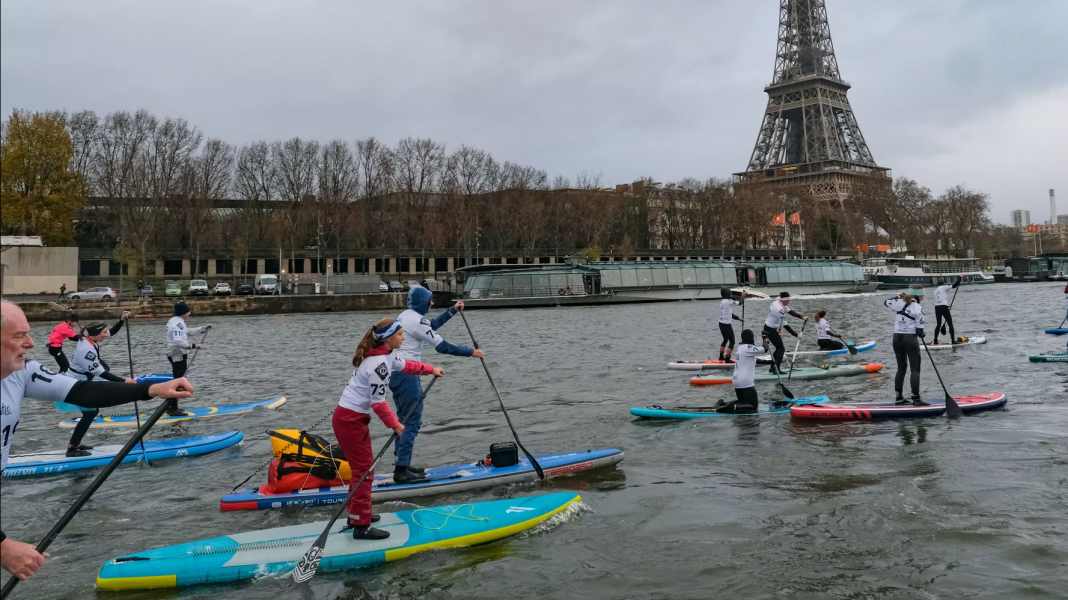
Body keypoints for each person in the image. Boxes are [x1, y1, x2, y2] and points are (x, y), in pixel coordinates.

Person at [0, 300, 193, 582]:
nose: (30, 343)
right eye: (19, 336)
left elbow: (84, 392)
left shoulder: (20, 372)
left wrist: (150, 389)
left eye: (28, 333)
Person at [333, 318, 443, 540]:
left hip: (352, 418)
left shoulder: (387, 355)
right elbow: (379, 404)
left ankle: (356, 515)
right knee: (364, 472)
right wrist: (396, 425)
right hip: (349, 420)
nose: (404, 337)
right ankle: (361, 527)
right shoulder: (378, 365)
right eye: (401, 334)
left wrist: (432, 369)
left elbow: (407, 366)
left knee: (362, 471)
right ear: (389, 338)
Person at [391, 286, 482, 483]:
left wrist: (452, 311)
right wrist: (471, 352)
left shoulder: (406, 315)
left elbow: (429, 327)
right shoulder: (417, 320)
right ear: (422, 302)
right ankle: (401, 472)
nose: (431, 304)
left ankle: (402, 464)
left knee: (403, 419)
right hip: (407, 373)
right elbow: (442, 347)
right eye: (429, 301)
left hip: (397, 373)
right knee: (412, 421)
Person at [65, 313, 133, 456]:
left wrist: (121, 320)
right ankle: (72, 449)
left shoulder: (89, 338)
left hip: (83, 382)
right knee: (91, 412)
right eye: (103, 333)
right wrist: (124, 381)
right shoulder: (85, 350)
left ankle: (75, 444)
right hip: (74, 385)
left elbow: (111, 332)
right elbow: (102, 374)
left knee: (90, 412)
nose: (105, 335)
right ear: (94, 335)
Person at [165, 302, 211, 416]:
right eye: (188, 311)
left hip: (178, 353)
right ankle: (171, 408)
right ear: (183, 312)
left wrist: (202, 329)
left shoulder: (177, 321)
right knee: (178, 381)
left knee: (178, 380)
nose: (189, 313)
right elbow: (178, 341)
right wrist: (193, 346)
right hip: (177, 354)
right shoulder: (177, 323)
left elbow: (187, 332)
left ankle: (171, 406)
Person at [884, 289, 927, 405]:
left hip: (896, 338)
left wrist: (898, 296)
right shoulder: (918, 307)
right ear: (919, 297)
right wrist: (922, 333)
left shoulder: (898, 303)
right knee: (915, 369)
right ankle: (916, 399)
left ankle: (899, 397)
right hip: (909, 339)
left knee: (901, 368)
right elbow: (919, 331)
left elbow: (886, 302)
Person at [715, 329, 767, 414]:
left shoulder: (741, 348)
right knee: (753, 406)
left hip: (737, 380)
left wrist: (769, 362)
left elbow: (752, 360)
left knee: (743, 402)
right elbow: (765, 349)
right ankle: (729, 407)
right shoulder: (748, 348)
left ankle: (723, 404)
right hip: (745, 381)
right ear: (750, 338)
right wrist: (765, 338)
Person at [763, 291, 806, 374]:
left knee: (778, 348)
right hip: (770, 329)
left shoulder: (779, 302)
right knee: (781, 348)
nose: (789, 301)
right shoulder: (778, 309)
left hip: (770, 327)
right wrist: (796, 334)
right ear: (784, 300)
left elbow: (790, 311)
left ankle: (773, 367)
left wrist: (802, 317)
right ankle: (776, 369)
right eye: (788, 300)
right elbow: (785, 325)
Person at [932, 277, 961, 345]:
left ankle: (935, 340)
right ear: (943, 282)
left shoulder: (935, 290)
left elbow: (940, 298)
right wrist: (959, 278)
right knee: (950, 324)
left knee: (938, 324)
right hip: (943, 307)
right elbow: (954, 285)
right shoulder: (944, 287)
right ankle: (953, 341)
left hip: (937, 308)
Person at [717, 288, 743, 361]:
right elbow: (740, 303)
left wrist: (738, 318)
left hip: (721, 324)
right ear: (726, 294)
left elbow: (729, 314)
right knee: (732, 341)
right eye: (729, 293)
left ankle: (721, 357)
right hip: (726, 325)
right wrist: (743, 296)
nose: (730, 294)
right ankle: (727, 358)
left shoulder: (722, 301)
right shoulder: (729, 301)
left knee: (725, 339)